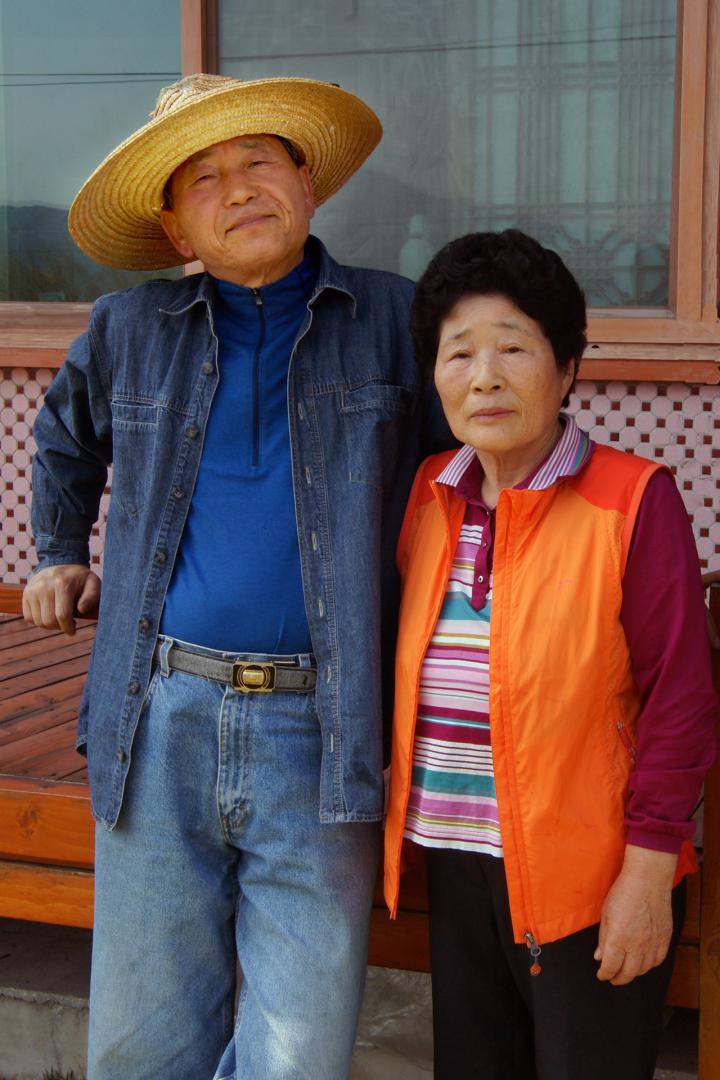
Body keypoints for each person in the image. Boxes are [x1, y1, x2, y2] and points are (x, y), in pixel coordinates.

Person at [23, 73, 444, 1080]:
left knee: (297, 1056)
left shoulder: (396, 319)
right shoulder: (130, 329)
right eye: (204, 178)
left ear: (308, 182)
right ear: (176, 228)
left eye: (260, 160)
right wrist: (59, 552)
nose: (240, 187)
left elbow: (469, 468)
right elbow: (63, 439)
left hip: (329, 726)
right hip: (159, 713)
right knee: (141, 1046)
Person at [383, 230, 718, 1080]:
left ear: (566, 368)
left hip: (590, 874)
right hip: (457, 856)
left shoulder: (633, 499)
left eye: (513, 348)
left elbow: (681, 699)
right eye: (459, 353)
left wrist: (648, 873)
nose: (484, 377)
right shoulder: (429, 494)